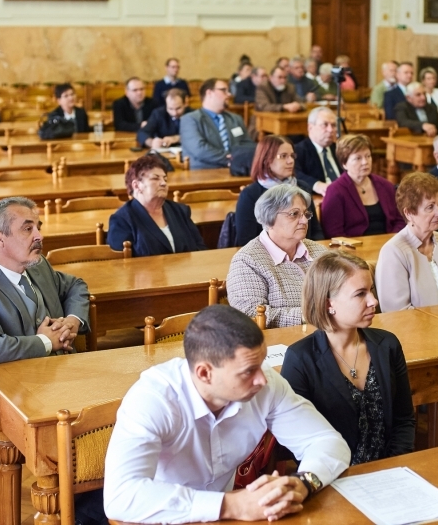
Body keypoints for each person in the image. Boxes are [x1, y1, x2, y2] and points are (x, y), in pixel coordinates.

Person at [103, 304, 350, 524]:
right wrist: (231, 504)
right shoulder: (154, 399)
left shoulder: (266, 382)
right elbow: (121, 496)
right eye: (248, 371)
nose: (262, 379)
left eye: (262, 363)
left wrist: (303, 483)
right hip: (162, 516)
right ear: (204, 373)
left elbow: (326, 441)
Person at [0, 196, 89, 463]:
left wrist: (72, 320)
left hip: (63, 382)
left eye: (38, 226)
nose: (39, 235)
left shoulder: (38, 266)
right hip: (11, 400)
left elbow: (76, 285)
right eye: (28, 228)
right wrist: (46, 341)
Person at [281, 252, 415, 464]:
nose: (374, 301)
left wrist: (393, 466)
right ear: (328, 304)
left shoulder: (387, 345)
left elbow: (403, 420)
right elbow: (301, 440)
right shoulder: (300, 359)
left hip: (389, 470)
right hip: (332, 476)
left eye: (371, 290)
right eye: (360, 294)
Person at [227, 184, 328, 328]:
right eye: (294, 214)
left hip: (327, 335)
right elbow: (250, 314)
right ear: (270, 219)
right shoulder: (247, 260)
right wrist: (309, 315)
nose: (304, 221)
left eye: (305, 214)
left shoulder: (320, 253)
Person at [375, 172, 438, 311]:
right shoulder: (393, 252)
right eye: (430, 207)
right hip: (421, 330)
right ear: (409, 213)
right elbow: (397, 315)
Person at [107, 155, 207, 255]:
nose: (163, 183)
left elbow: (200, 250)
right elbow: (119, 265)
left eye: (165, 179)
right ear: (137, 186)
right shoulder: (122, 220)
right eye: (155, 178)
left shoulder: (180, 211)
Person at [235, 135, 324, 246]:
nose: (290, 161)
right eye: (283, 156)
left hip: (305, 255)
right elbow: (246, 240)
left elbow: (316, 231)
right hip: (266, 258)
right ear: (266, 160)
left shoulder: (303, 188)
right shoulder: (250, 195)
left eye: (292, 156)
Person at [320, 134, 405, 238]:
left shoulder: (386, 186)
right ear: (344, 164)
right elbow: (334, 233)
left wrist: (391, 240)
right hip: (353, 250)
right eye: (358, 158)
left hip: (388, 245)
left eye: (368, 156)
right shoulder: (335, 191)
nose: (365, 162)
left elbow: (400, 219)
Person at [180, 78, 254, 170]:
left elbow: (247, 144)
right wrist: (231, 159)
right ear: (209, 93)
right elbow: (200, 150)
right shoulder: (190, 119)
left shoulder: (235, 119)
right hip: (204, 173)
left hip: (236, 171)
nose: (229, 94)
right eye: (224, 90)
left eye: (229, 90)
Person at [293, 107, 344, 195]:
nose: (330, 130)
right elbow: (295, 174)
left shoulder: (339, 149)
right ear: (310, 127)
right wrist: (317, 185)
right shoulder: (299, 150)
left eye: (333, 125)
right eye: (325, 125)